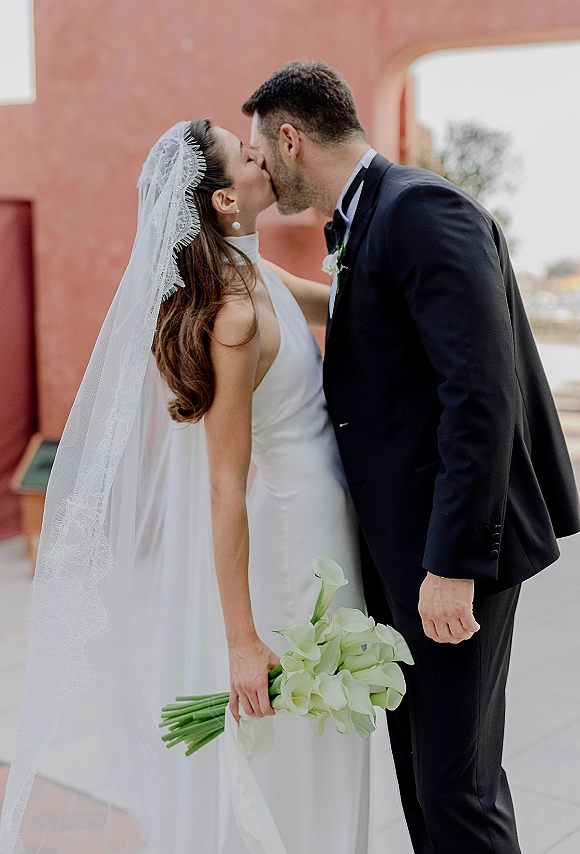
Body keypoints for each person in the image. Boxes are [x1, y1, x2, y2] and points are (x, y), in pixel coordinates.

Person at [0, 118, 376, 854]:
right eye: (244, 154)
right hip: (294, 549)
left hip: (325, 533)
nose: (260, 153)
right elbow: (223, 486)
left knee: (328, 746)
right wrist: (240, 639)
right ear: (222, 203)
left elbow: (342, 307)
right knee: (300, 754)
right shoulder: (232, 318)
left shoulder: (259, 278)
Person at [243, 60, 580, 854]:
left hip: (453, 552)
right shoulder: (368, 217)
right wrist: (247, 274)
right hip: (409, 554)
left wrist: (453, 563)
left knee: (456, 792)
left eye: (261, 152)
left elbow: (482, 395)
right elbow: (379, 330)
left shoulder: (421, 209)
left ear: (290, 139)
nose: (260, 168)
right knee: (422, 781)